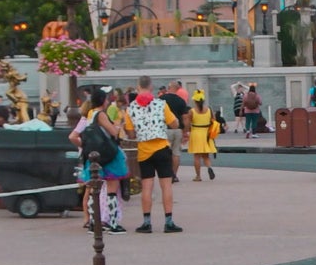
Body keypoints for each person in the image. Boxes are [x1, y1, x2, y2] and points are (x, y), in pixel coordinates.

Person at [125, 81, 182, 232]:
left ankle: (146, 222)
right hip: (162, 147)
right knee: (166, 186)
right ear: (151, 88)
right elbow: (174, 123)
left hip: (144, 150)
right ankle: (168, 222)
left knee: (147, 187)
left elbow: (130, 133)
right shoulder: (161, 104)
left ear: (138, 88)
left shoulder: (130, 108)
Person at [72, 85, 128, 231]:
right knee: (112, 191)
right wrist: (117, 127)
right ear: (103, 101)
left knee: (93, 190)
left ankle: (93, 222)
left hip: (93, 156)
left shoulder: (89, 115)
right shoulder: (100, 115)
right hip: (108, 155)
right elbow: (112, 132)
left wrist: (83, 146)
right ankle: (113, 223)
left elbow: (75, 136)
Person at [186, 90, 219, 181]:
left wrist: (187, 131)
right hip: (206, 134)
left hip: (196, 133)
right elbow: (214, 121)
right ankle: (209, 167)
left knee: (197, 156)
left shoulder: (192, 111)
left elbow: (188, 125)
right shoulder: (209, 110)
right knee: (205, 156)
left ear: (195, 101)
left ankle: (198, 176)